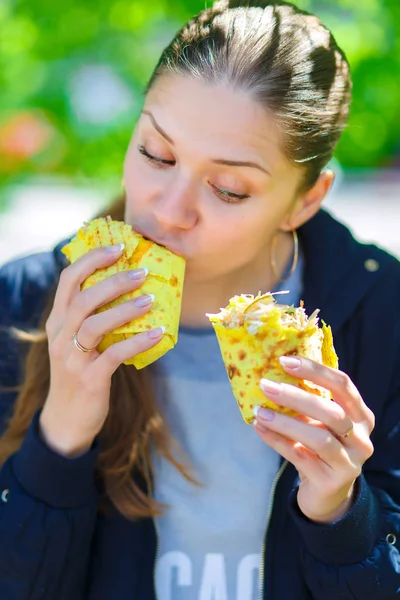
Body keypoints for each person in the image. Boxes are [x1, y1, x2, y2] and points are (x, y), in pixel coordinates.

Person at [0, 0, 399, 598]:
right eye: (156, 154)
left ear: (305, 200)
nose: (168, 208)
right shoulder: (30, 302)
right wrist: (60, 435)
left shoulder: (383, 315)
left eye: (229, 189)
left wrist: (342, 512)